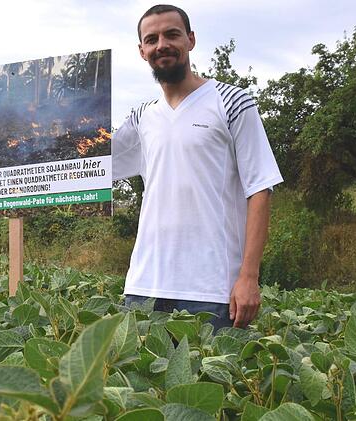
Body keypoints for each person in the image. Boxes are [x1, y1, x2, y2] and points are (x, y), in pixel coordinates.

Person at [112, 4, 283, 330]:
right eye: (152, 39)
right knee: (141, 381)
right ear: (142, 51)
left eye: (171, 34)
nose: (161, 44)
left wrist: (249, 276)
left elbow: (260, 189)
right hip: (144, 288)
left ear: (190, 39)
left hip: (213, 291)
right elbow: (86, 165)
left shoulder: (232, 102)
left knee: (211, 381)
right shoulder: (141, 117)